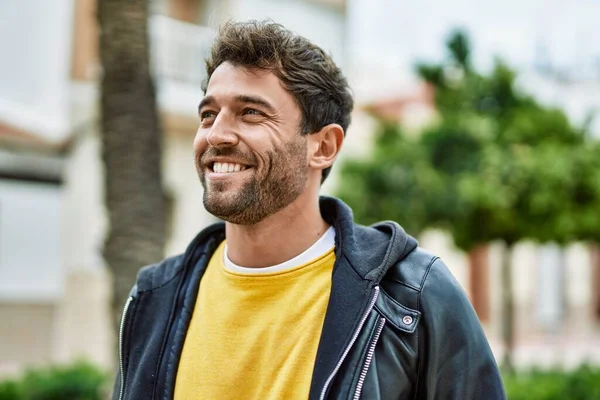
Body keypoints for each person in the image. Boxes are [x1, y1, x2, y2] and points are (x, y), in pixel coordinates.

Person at [113, 20, 506, 400]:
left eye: (250, 112)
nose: (216, 134)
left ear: (323, 146)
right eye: (208, 114)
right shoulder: (152, 298)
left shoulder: (412, 296)